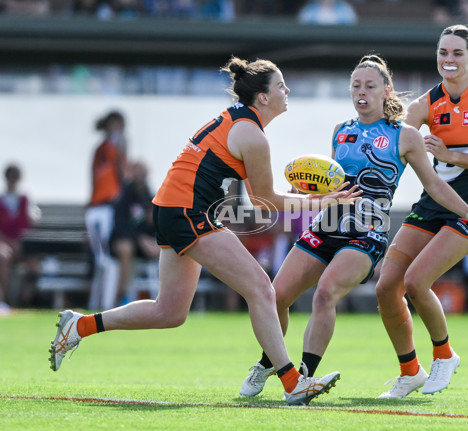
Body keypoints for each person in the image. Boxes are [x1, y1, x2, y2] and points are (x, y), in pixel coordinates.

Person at [49, 56, 362, 406]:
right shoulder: (252, 135)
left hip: (172, 208)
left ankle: (79, 326)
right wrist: (322, 201)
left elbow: (252, 197)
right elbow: (264, 203)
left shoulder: (240, 125)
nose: (286, 91)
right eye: (280, 86)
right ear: (262, 97)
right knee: (261, 288)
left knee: (169, 312)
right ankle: (293, 382)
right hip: (187, 211)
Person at [238, 54, 468, 398]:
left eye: (370, 86)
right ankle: (269, 362)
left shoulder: (406, 136)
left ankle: (303, 378)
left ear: (387, 91)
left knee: (326, 292)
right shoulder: (341, 131)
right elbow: (332, 183)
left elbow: (433, 184)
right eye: (356, 85)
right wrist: (306, 189)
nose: (361, 92)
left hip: (365, 235)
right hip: (324, 228)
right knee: (275, 297)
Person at [375, 25, 468, 399]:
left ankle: (445, 355)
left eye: (456, 53)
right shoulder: (425, 103)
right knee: (387, 285)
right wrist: (370, 96)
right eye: (442, 53)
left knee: (417, 282)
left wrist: (450, 154)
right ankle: (409, 371)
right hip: (432, 202)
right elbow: (391, 131)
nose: (448, 60)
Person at [85, 110, 127, 311]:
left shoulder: (101, 149)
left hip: (98, 208)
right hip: (103, 208)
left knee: (104, 260)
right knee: (107, 260)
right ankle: (107, 305)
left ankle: (100, 303)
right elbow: (121, 173)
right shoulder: (109, 148)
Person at [109, 160, 159, 307]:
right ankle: (123, 295)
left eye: (143, 173)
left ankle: (168, 298)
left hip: (144, 247)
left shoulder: (151, 197)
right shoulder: (123, 197)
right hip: (122, 242)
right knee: (126, 247)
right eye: (137, 173)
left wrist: (156, 240)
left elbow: (155, 225)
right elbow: (120, 226)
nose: (140, 177)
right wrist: (139, 238)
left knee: (170, 248)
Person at [0, 164, 41, 313]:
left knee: (33, 261)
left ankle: (27, 300)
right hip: (5, 243)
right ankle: (6, 299)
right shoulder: (1, 199)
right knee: (2, 257)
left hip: (22, 243)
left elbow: (32, 220)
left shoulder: (25, 199)